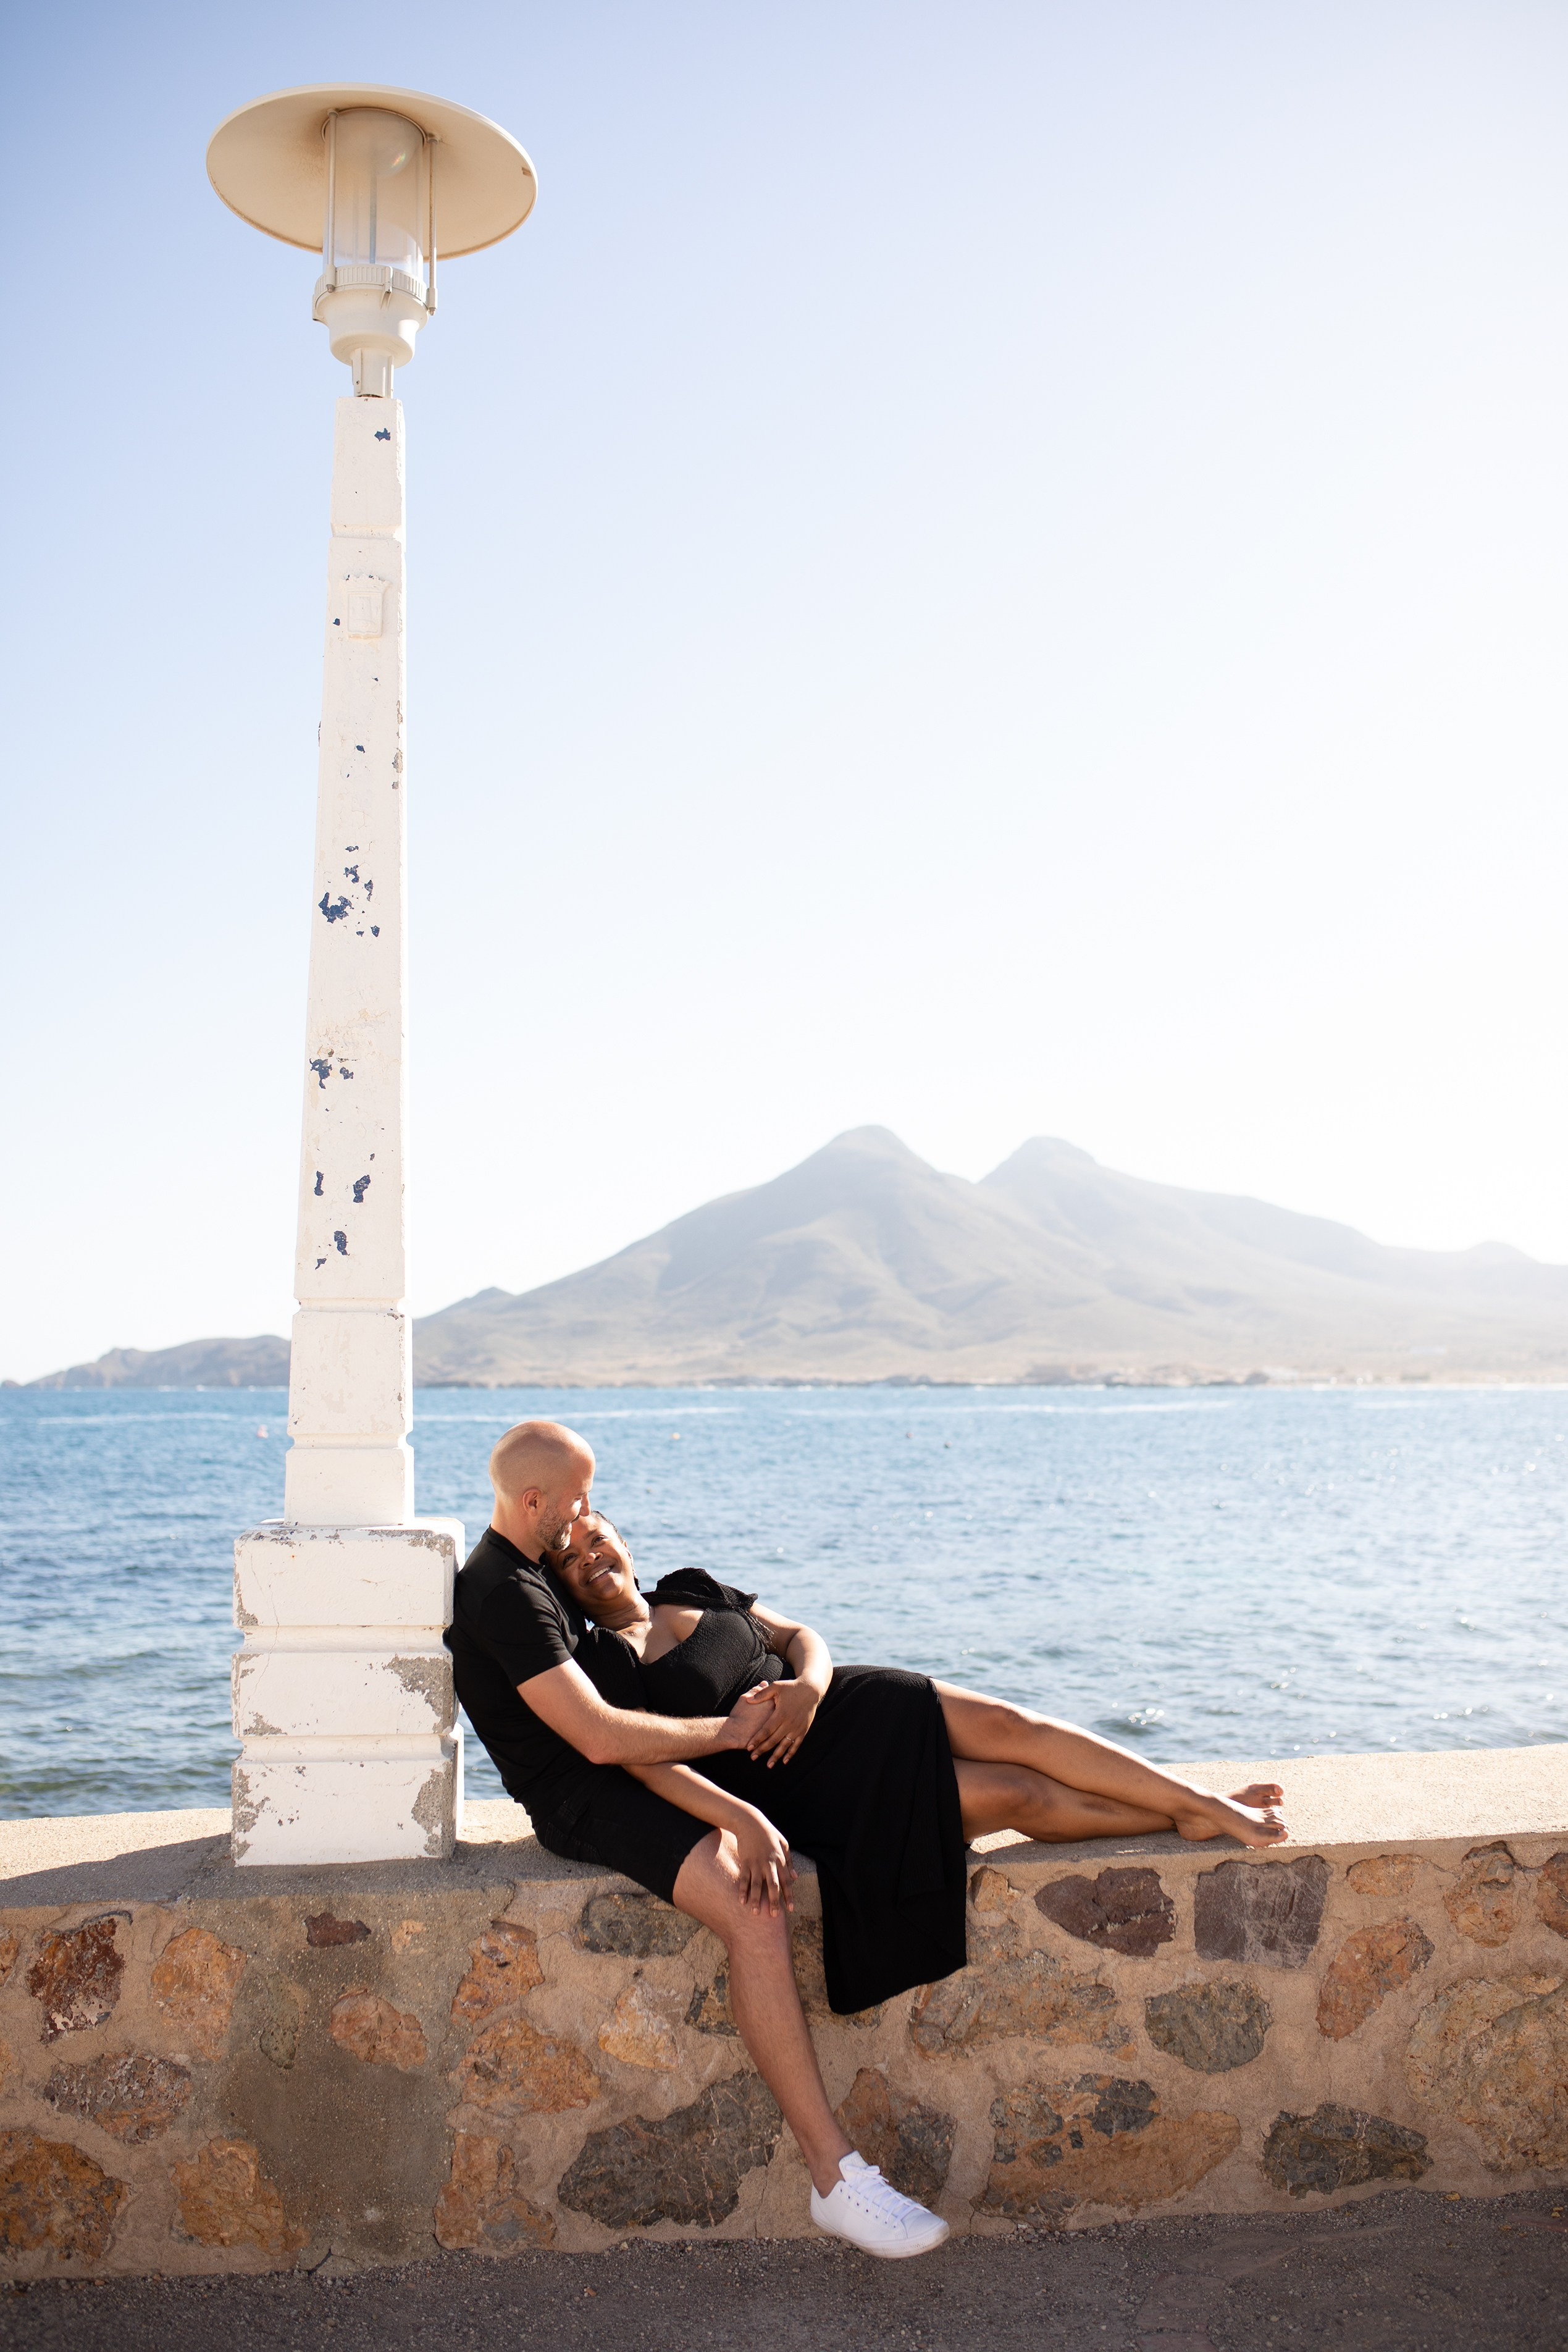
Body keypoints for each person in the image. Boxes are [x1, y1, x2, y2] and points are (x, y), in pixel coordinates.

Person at [443, 1418, 950, 2261]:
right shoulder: (503, 1592)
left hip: (621, 1773)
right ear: (532, 1501)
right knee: (753, 1908)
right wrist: (730, 1747)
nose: (586, 1512)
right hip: (581, 1799)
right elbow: (600, 1738)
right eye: (575, 1499)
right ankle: (836, 2181)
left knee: (771, 1881)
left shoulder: (531, 1572)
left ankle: (839, 2181)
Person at [553, 1510, 1288, 2018]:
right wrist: (737, 1816)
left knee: (1011, 1723)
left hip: (846, 1703)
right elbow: (645, 1761)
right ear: (563, 1585)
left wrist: (807, 1687)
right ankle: (1187, 1812)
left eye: (598, 1541)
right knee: (1013, 1795)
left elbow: (799, 1633)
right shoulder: (602, 1661)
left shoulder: (688, 1584)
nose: (592, 1560)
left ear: (625, 1542)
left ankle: (1206, 1805)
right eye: (571, 1559)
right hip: (803, 1781)